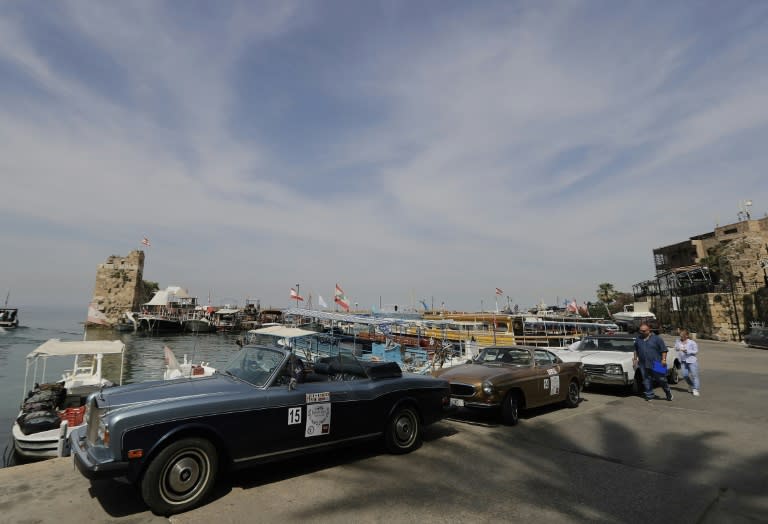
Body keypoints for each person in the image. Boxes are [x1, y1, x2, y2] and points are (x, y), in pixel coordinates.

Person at [633, 322, 673, 402]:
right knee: (646, 380)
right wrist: (635, 359)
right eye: (641, 331)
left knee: (662, 379)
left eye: (644, 331)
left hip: (657, 363)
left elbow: (664, 350)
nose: (642, 332)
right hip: (643, 363)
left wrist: (663, 360)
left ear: (649, 330)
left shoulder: (657, 339)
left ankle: (668, 392)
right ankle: (649, 395)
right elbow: (636, 349)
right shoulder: (638, 339)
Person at [675, 329, 700, 396]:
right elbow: (676, 347)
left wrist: (687, 351)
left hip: (692, 361)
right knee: (685, 375)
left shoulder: (692, 342)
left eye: (683, 336)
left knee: (694, 375)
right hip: (683, 361)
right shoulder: (678, 341)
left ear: (687, 336)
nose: (681, 337)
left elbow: (696, 351)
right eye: (680, 335)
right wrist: (677, 348)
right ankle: (691, 385)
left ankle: (695, 389)